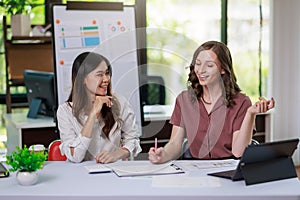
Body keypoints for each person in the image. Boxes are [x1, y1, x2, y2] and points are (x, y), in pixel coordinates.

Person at [148, 41, 275, 163]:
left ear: (223, 69)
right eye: (198, 64)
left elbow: (238, 152)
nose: (201, 70)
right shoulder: (184, 100)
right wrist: (163, 154)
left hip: (229, 171)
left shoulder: (241, 102)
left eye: (209, 65)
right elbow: (175, 144)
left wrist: (250, 114)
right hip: (196, 173)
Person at [57, 52, 142, 163]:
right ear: (82, 79)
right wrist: (93, 114)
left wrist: (116, 155)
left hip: (114, 171)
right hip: (80, 174)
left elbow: (132, 140)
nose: (106, 79)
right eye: (99, 74)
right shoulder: (65, 111)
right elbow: (75, 157)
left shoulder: (119, 102)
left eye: (107, 73)